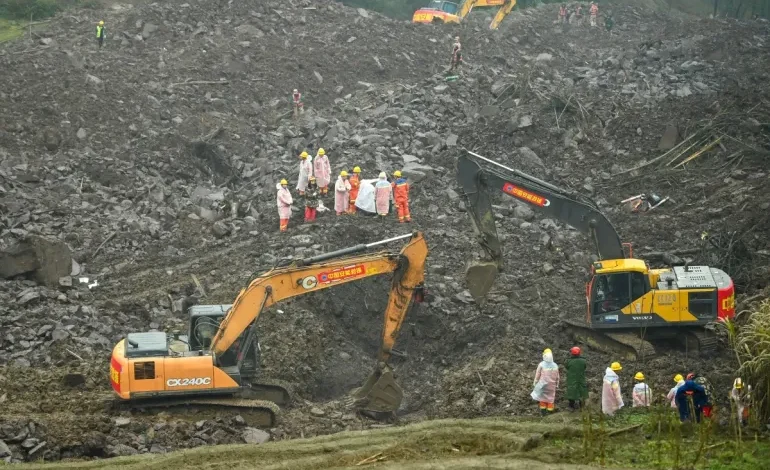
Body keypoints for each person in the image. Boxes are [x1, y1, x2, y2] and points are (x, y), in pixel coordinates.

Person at [531, 348, 560, 416]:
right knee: (550, 399)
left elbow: (537, 374)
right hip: (552, 386)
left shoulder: (541, 364)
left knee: (542, 399)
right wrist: (557, 384)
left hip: (542, 385)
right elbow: (558, 377)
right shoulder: (555, 365)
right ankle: (550, 415)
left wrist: (535, 382)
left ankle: (543, 414)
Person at [565, 346, 588, 410]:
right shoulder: (583, 361)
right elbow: (585, 367)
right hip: (581, 378)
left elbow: (566, 366)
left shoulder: (568, 361)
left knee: (571, 391)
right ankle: (581, 405)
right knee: (581, 391)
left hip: (571, 379)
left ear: (572, 353)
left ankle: (571, 406)